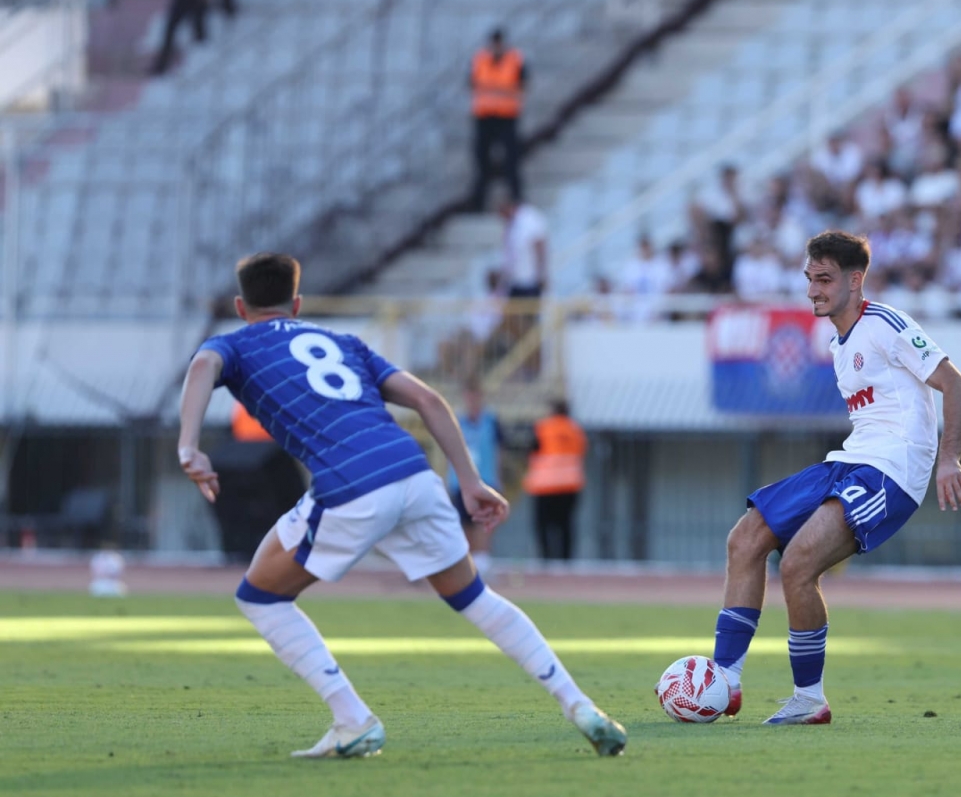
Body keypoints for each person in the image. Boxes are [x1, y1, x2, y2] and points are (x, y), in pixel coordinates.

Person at [175, 253, 624, 759]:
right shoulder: (346, 344)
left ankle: (352, 720)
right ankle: (581, 705)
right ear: (297, 304)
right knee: (476, 598)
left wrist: (189, 444)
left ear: (240, 305)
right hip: (414, 475)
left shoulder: (233, 344)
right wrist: (470, 479)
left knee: (259, 596)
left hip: (351, 486)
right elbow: (431, 401)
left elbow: (201, 365)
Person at [710, 231, 961, 725]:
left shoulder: (886, 324)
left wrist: (949, 458)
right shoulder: (837, 342)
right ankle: (724, 682)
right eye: (809, 279)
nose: (813, 290)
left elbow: (955, 385)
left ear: (855, 280)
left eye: (824, 279)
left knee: (798, 563)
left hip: (894, 469)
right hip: (850, 459)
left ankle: (809, 699)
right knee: (745, 539)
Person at [449, 381, 504, 580]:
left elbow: (498, 452)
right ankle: (469, 564)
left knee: (485, 522)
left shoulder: (491, 421)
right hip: (461, 481)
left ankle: (483, 562)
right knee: (465, 523)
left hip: (486, 480)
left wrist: (498, 479)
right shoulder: (456, 421)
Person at [469, 29, 527, 211]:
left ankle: (517, 201)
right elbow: (471, 84)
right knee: (482, 164)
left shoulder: (515, 60)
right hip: (484, 118)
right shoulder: (480, 60)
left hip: (507, 117)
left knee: (511, 162)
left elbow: (524, 84)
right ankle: (477, 204)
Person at [522, 400, 586, 561]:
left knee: (543, 526)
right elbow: (582, 450)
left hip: (545, 487)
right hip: (570, 485)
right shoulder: (575, 430)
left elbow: (531, 449)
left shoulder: (542, 428)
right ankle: (566, 561)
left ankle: (546, 559)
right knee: (565, 525)